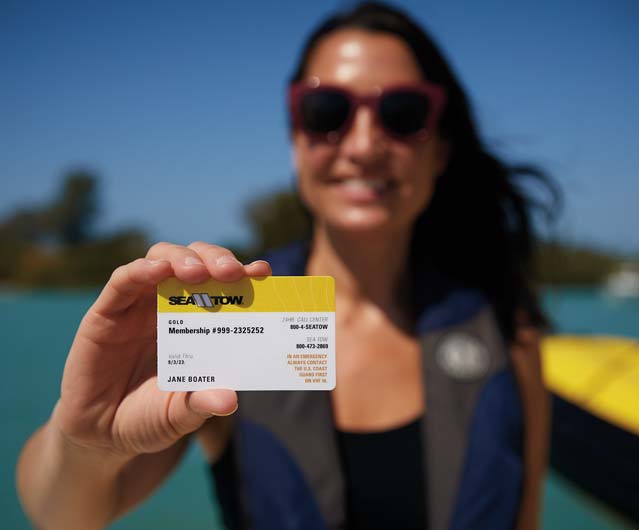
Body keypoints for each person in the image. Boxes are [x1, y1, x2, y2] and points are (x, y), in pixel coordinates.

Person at [16, 3, 556, 529]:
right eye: (328, 113)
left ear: (439, 149)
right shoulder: (231, 316)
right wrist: (84, 440)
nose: (364, 145)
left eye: (403, 114)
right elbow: (62, 516)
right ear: (294, 137)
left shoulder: (507, 329)